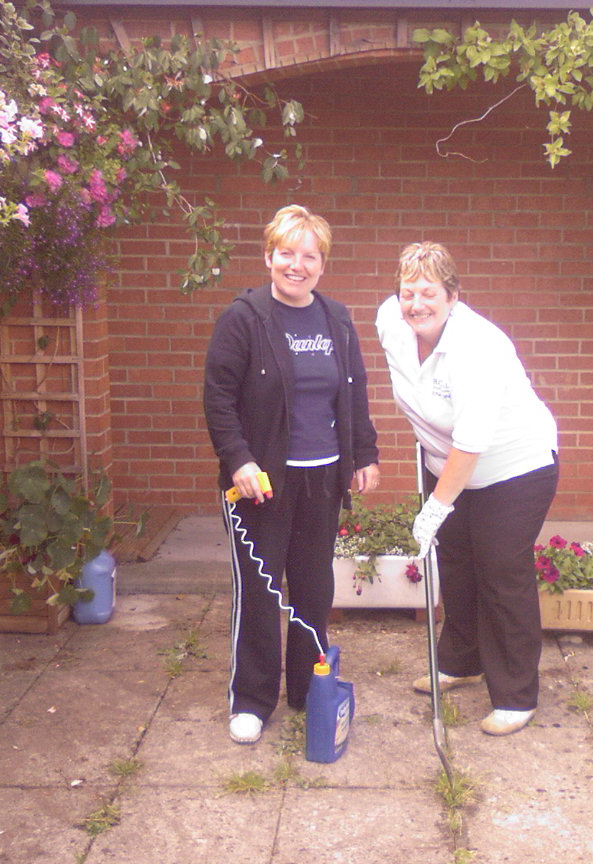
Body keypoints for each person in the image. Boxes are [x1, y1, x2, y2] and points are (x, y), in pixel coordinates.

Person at [204, 204, 380, 745]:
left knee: (313, 585)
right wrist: (240, 459)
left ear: (322, 264)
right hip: (262, 483)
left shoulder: (337, 318)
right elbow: (218, 398)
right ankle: (252, 699)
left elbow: (353, 389)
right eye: (287, 254)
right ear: (269, 256)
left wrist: (364, 453)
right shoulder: (245, 317)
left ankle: (308, 688)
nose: (297, 265)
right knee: (260, 592)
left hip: (322, 477)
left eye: (309, 256)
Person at [376, 241, 558, 736]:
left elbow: (473, 442)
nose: (416, 304)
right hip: (444, 461)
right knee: (455, 565)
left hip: (512, 468)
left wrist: (435, 507)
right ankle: (461, 661)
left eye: (429, 292)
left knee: (501, 571)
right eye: (407, 292)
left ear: (453, 295)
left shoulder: (480, 346)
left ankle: (517, 694)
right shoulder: (392, 324)